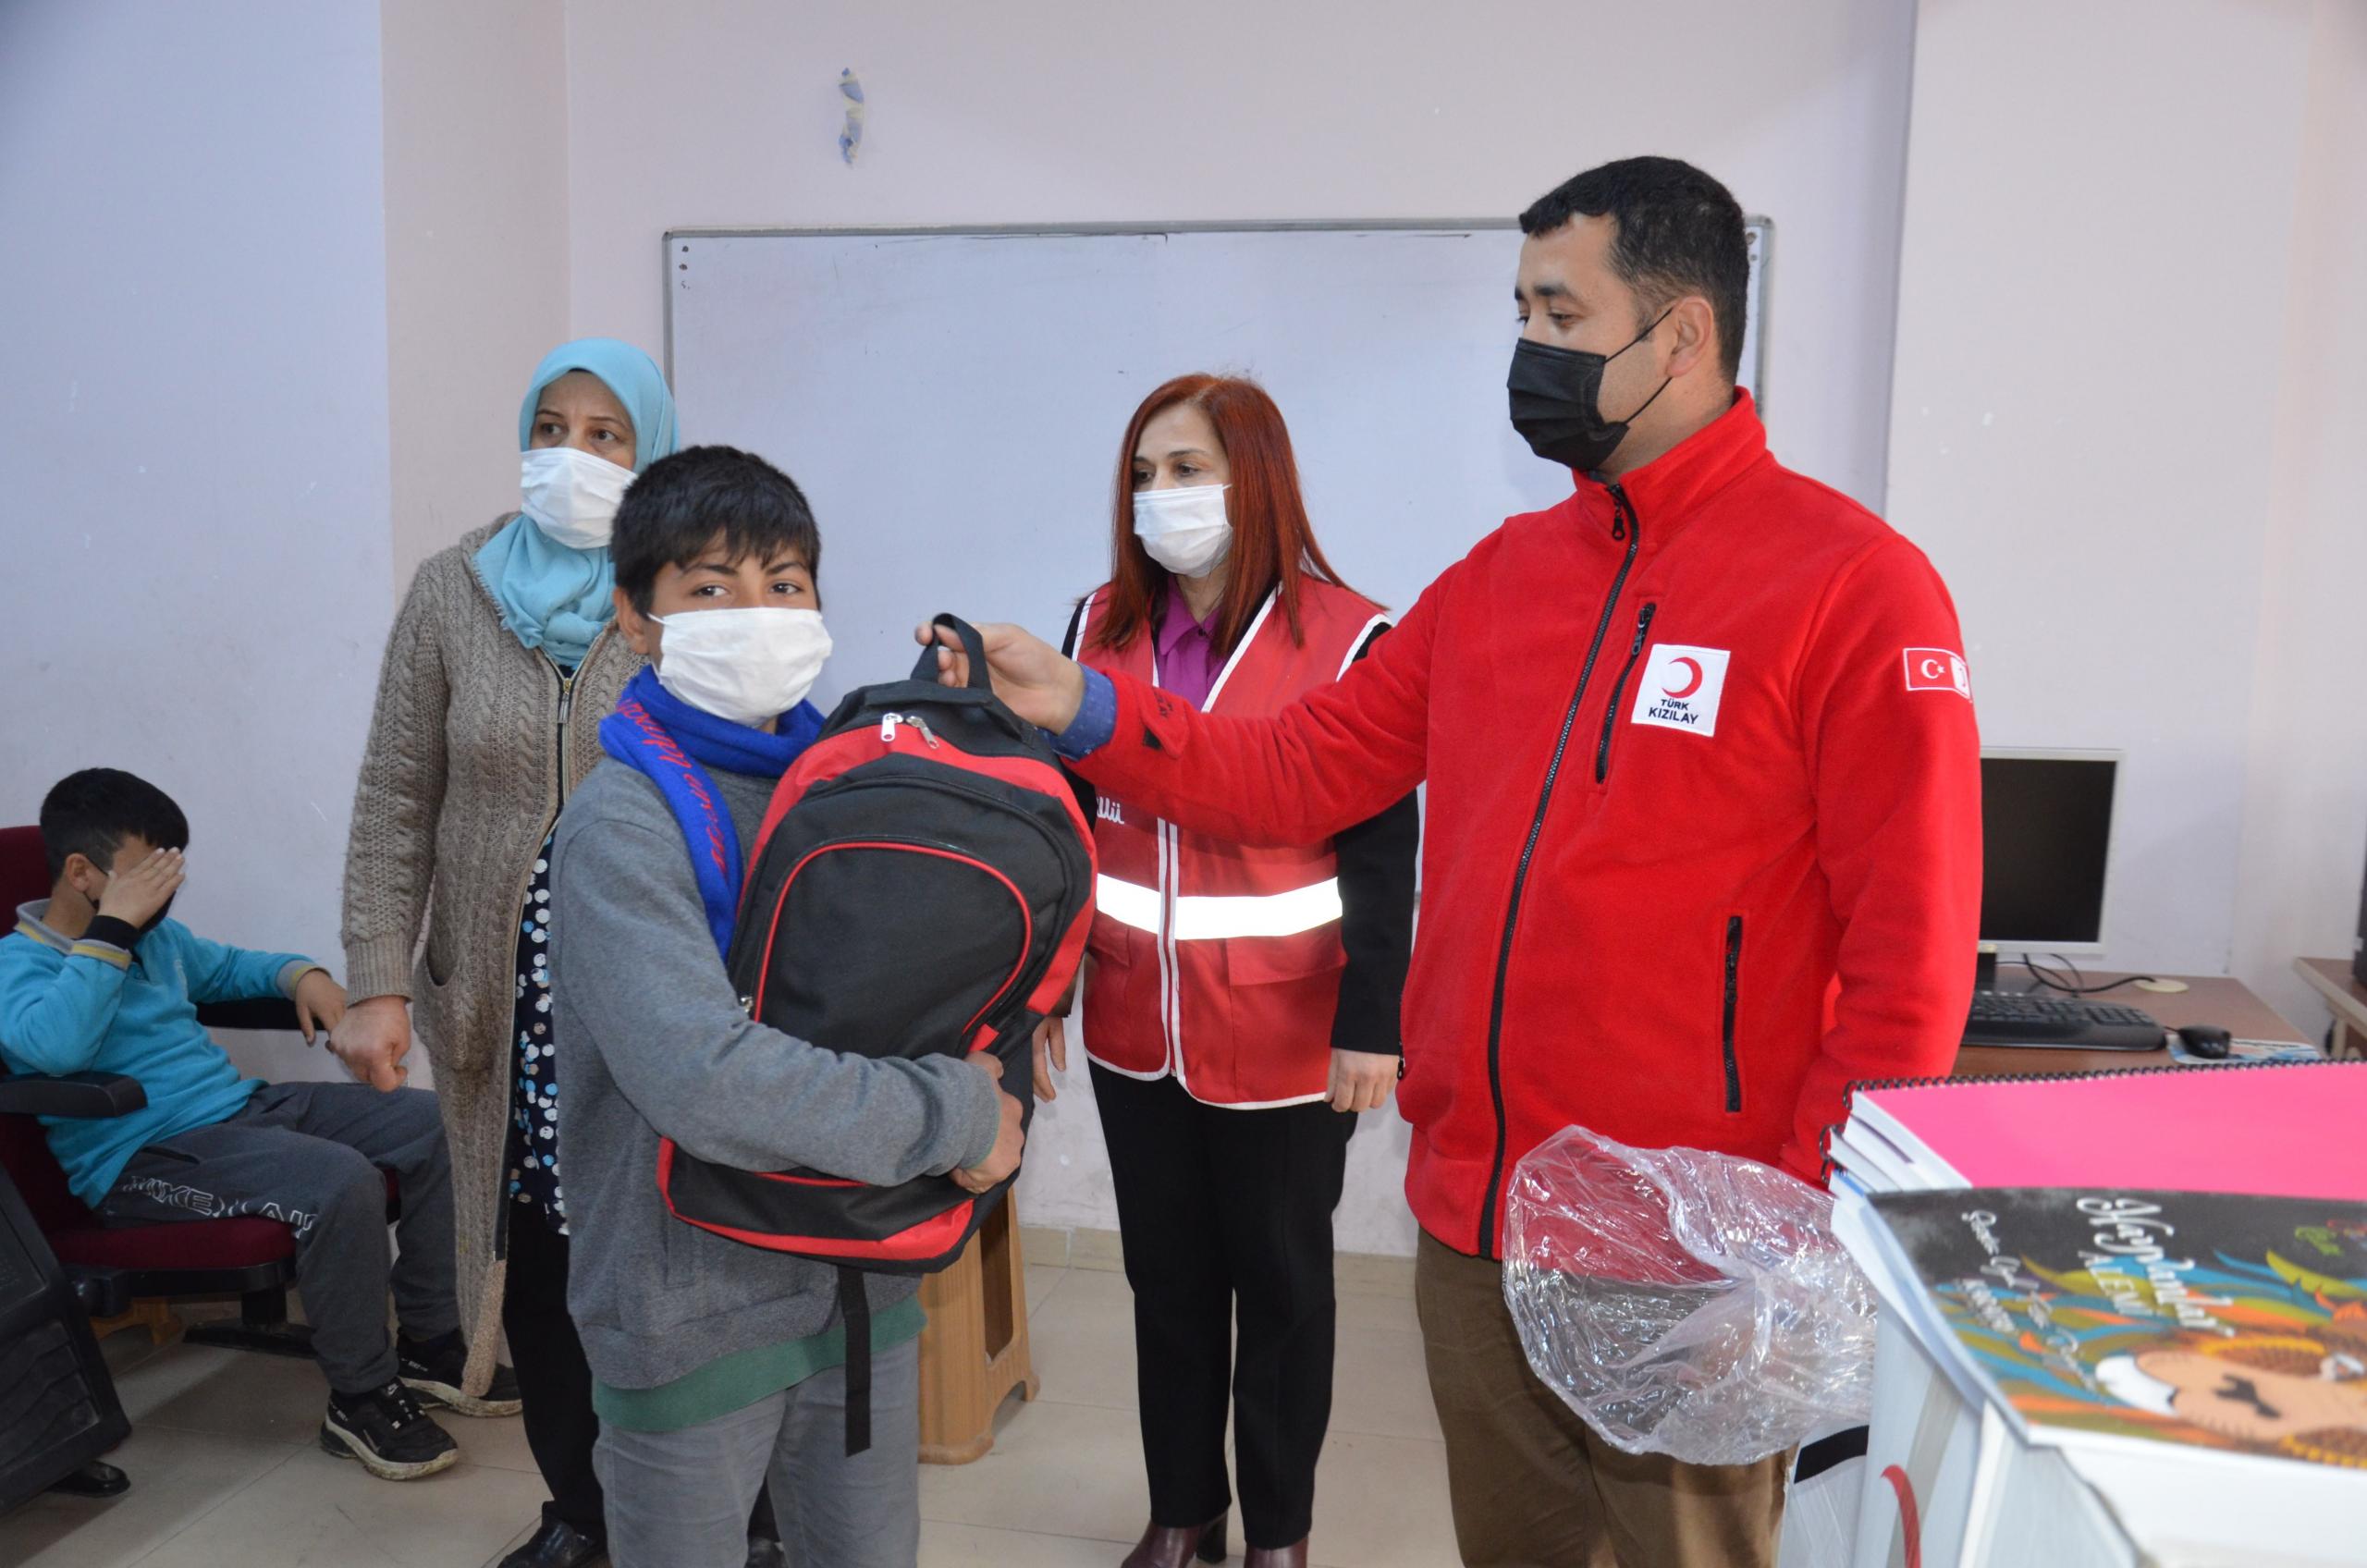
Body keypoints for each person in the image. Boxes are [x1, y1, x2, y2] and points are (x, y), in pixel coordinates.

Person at [924, 156, 1983, 1568]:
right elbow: (1296, 769)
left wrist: (1794, 1235)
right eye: (1521, 313)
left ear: (1682, 334)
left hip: (1691, 1249)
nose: (1529, 348)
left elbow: (1911, 962)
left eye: (1561, 313)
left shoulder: (1852, 587)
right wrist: (1087, 707)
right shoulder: (1500, 580)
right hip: (1476, 1222)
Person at [548, 444, 1025, 1568]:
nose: (755, 614)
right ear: (636, 618)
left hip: (857, 1283)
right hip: (687, 1309)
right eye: (710, 587)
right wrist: (956, 1115)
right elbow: (700, 1076)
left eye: (784, 583)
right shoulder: (622, 823)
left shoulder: (852, 788)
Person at [1044, 374, 1416, 1568]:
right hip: (1133, 1023)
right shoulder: (1094, 631)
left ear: (1254, 480)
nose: (1161, 494)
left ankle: (1280, 1535)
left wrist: (1374, 1020)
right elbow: (1061, 826)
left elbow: (1384, 850)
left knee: (1284, 1293)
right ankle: (1184, 1513)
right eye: (1144, 474)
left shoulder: (1351, 639)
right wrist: (1044, 989)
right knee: (1167, 1285)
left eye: (1188, 469)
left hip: (1288, 1040)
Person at [337, 338, 694, 1563]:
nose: (572, 456)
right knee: (537, 1264)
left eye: (606, 435)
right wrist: (380, 979)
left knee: (661, 1259)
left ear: (652, 453)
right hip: (508, 1003)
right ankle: (580, 1511)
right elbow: (396, 796)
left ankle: (706, 1507)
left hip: (655, 994)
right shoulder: (453, 590)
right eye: (552, 428)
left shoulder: (689, 591)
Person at [0, 768, 504, 1481]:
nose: (165, 896)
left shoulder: (159, 942)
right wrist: (109, 933)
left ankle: (429, 1341)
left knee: (434, 1124)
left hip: (240, 1112)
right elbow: (58, 1047)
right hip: (145, 1158)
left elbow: (238, 968)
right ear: (82, 874)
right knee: (339, 1181)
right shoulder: (17, 964)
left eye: (173, 874)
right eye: (148, 878)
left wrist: (306, 978)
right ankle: (360, 1394)